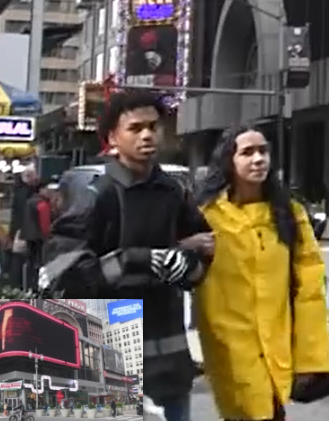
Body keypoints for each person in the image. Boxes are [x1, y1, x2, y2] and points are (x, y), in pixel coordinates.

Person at [44, 88, 214, 421]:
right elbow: (62, 275)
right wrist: (137, 259)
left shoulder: (174, 192)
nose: (147, 135)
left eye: (153, 126)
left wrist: (187, 264)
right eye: (135, 128)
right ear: (113, 138)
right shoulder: (95, 195)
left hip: (170, 366)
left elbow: (204, 249)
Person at [193, 124, 329, 421]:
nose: (258, 159)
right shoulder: (205, 216)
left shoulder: (289, 213)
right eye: (247, 152)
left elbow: (309, 286)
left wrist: (312, 356)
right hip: (228, 347)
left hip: (276, 344)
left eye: (263, 151)